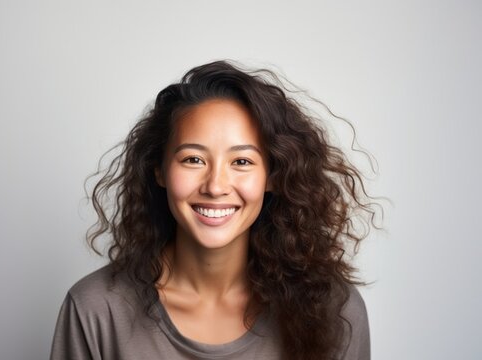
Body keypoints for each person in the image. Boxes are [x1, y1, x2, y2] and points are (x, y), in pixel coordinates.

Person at [50, 60, 380, 360]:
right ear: (159, 170)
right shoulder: (96, 309)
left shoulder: (334, 310)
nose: (215, 186)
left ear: (273, 177)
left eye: (242, 161)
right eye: (193, 159)